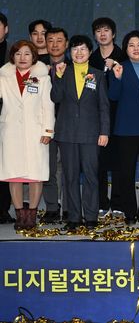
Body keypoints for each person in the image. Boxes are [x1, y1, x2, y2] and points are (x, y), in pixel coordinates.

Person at [51, 35, 110, 230]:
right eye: (75, 49)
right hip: (67, 133)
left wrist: (104, 132)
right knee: (70, 177)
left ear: (90, 52)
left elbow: (103, 106)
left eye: (83, 49)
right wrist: (58, 77)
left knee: (91, 176)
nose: (79, 52)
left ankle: (91, 217)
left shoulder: (97, 75)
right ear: (70, 52)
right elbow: (55, 97)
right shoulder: (62, 72)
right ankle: (74, 218)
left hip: (91, 134)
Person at [0, 40, 55, 229]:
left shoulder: (43, 78)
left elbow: (48, 106)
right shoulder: (4, 77)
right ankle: (19, 215)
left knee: (35, 174)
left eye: (27, 54)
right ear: (12, 57)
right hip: (11, 132)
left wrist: (48, 130)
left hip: (36, 132)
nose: (22, 58)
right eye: (18, 54)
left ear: (33, 57)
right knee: (13, 175)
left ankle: (31, 215)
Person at [108, 31, 139, 224]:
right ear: (126, 49)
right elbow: (113, 96)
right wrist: (117, 78)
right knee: (126, 172)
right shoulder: (120, 68)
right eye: (131, 45)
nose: (136, 48)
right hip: (126, 129)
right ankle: (129, 212)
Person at [89, 17, 126, 217]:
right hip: (96, 118)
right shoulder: (91, 58)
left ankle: (118, 201)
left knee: (119, 160)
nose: (102, 34)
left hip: (119, 115)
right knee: (99, 162)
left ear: (114, 34)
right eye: (98, 31)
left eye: (106, 30)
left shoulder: (123, 56)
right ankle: (102, 201)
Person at [40, 27, 70, 223]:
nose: (55, 44)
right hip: (45, 125)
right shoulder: (38, 67)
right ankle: (51, 207)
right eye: (50, 40)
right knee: (48, 167)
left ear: (66, 44)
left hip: (69, 125)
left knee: (69, 168)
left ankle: (68, 207)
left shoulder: (75, 65)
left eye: (59, 40)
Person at [0, 12, 14, 224]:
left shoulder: (14, 53)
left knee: (4, 164)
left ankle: (3, 209)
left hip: (7, 115)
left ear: (6, 29)